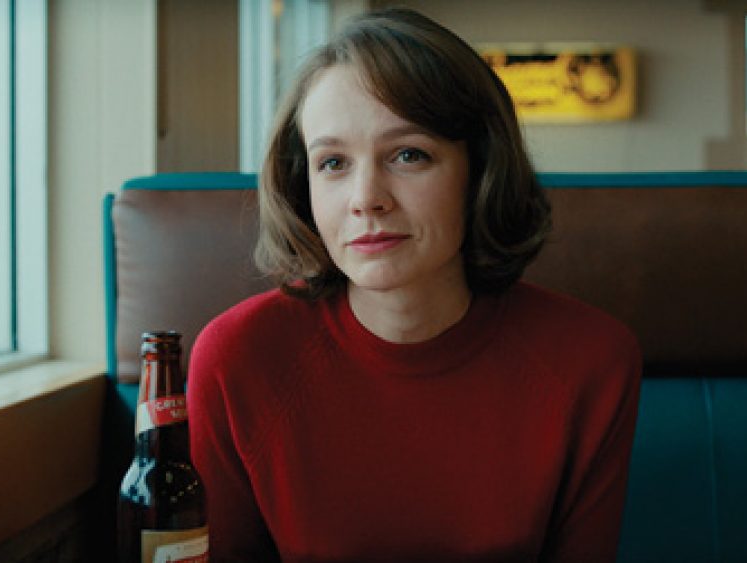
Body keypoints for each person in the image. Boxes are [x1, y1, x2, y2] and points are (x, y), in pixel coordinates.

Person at [187, 7, 641, 562]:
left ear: (481, 170)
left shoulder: (592, 360)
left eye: (408, 155)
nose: (366, 198)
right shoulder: (236, 359)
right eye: (333, 163)